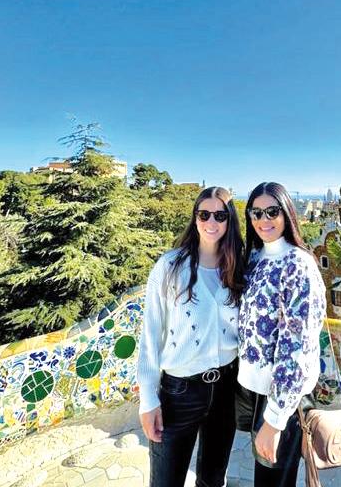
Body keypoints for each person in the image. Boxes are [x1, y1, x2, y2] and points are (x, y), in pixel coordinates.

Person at [137, 186, 245, 487]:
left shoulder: (237, 269)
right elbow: (151, 334)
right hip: (178, 393)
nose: (212, 222)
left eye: (220, 215)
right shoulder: (170, 266)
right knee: (165, 481)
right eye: (204, 214)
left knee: (213, 480)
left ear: (229, 221)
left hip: (226, 389)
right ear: (195, 218)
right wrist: (148, 399)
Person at [236, 182, 326, 487]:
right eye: (256, 212)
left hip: (282, 397)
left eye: (272, 211)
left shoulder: (298, 264)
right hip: (254, 391)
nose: (264, 219)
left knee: (272, 482)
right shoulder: (256, 259)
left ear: (286, 212)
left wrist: (274, 420)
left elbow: (297, 346)